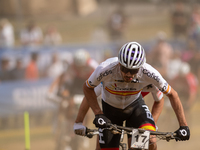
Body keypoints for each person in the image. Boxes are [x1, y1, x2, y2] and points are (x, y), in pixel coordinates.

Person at [82, 42, 190, 150]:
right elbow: (87, 87)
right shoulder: (106, 69)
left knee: (148, 141)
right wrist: (98, 113)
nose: (128, 74)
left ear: (140, 67)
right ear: (119, 64)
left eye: (133, 70)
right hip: (110, 111)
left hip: (134, 108)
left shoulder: (149, 72)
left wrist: (183, 126)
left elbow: (172, 94)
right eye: (125, 69)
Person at [74, 83, 164, 150]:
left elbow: (160, 99)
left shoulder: (148, 77)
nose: (129, 75)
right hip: (112, 112)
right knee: (100, 147)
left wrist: (153, 122)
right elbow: (88, 96)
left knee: (146, 143)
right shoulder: (111, 77)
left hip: (134, 111)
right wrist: (79, 122)